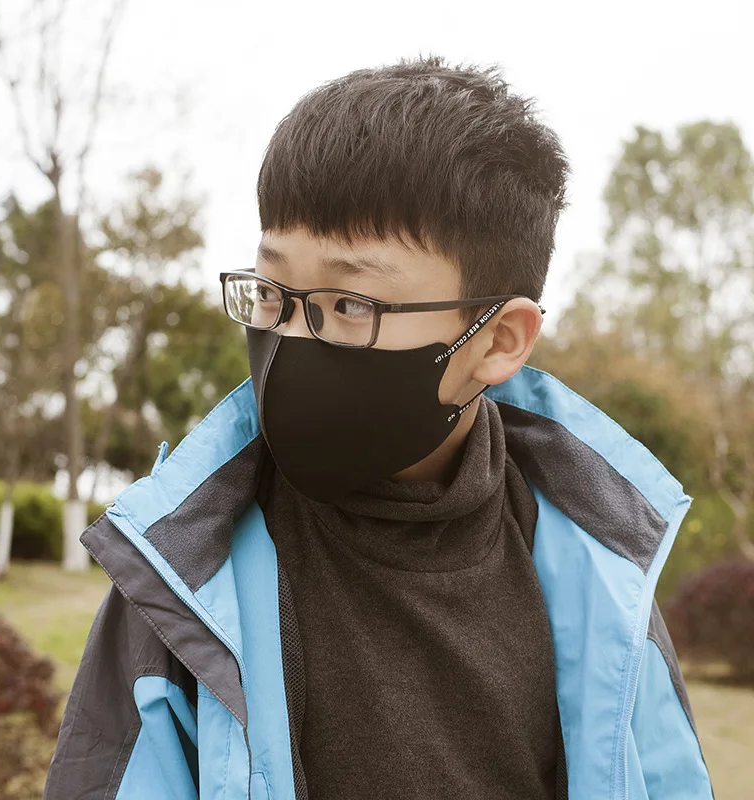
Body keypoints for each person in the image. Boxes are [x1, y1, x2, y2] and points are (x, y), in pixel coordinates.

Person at [43, 56, 713, 800]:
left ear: (497, 341)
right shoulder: (181, 580)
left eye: (350, 304)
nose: (290, 339)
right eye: (271, 291)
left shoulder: (606, 574)